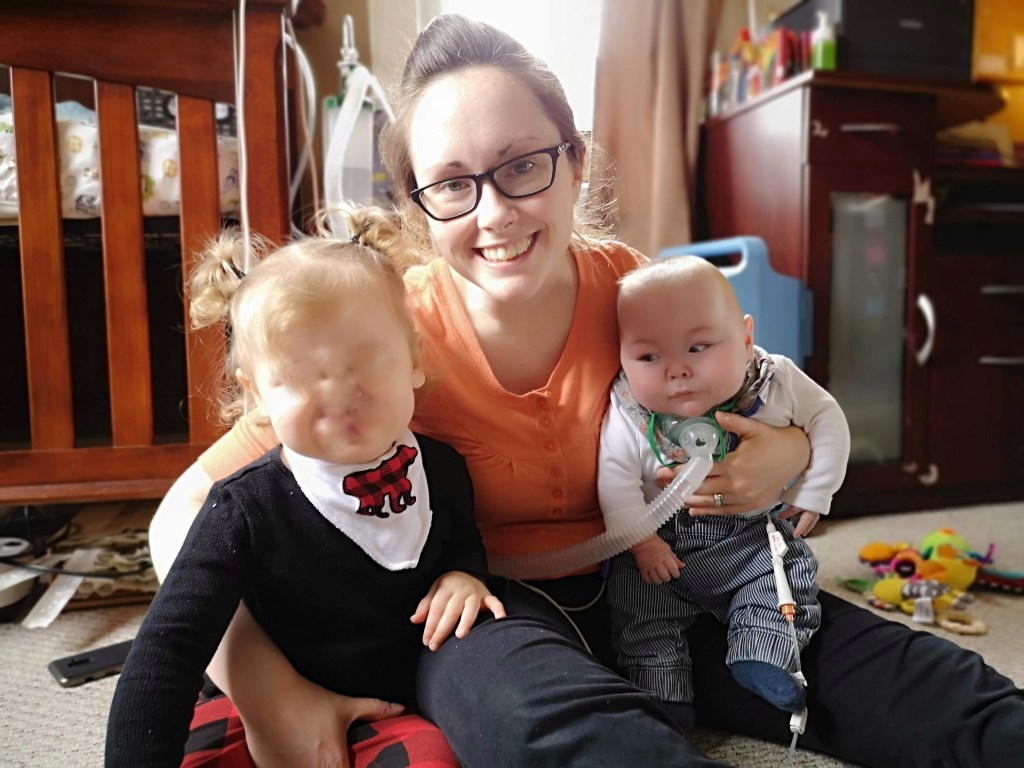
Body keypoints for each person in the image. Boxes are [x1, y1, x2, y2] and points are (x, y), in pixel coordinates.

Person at [149, 13, 1024, 768]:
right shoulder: (383, 341)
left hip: (681, 573)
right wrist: (267, 688)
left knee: (923, 689)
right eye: (452, 184)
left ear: (574, 162)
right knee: (553, 729)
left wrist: (791, 451)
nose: (494, 212)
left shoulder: (642, 293)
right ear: (420, 205)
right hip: (483, 610)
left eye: (522, 165)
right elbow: (182, 517)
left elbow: (769, 386)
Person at [108, 215, 504, 767]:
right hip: (270, 714)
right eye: (299, 375)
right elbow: (167, 648)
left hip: (390, 712)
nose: (340, 393)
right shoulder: (243, 509)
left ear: (414, 359)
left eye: (364, 360)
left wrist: (465, 574)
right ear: (257, 397)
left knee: (435, 759)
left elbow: (462, 541)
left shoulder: (442, 467)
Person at [599, 255, 850, 727]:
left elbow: (827, 417)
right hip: (661, 547)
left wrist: (816, 490)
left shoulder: (775, 381)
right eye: (649, 357)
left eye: (698, 347)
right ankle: (663, 695)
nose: (676, 371)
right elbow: (614, 480)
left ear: (746, 337)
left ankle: (762, 656)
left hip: (747, 537)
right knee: (639, 613)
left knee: (788, 575)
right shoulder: (629, 411)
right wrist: (644, 543)